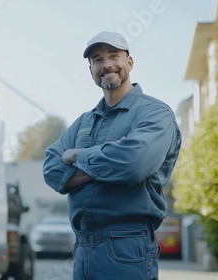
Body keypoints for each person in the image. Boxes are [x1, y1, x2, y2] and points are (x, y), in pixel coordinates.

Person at [43, 31, 181, 280]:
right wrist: (107, 160)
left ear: (129, 62)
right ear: (91, 70)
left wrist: (77, 155)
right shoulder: (84, 121)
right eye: (97, 59)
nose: (106, 64)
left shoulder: (155, 113)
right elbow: (52, 169)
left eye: (113, 55)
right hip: (83, 248)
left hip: (127, 247)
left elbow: (133, 164)